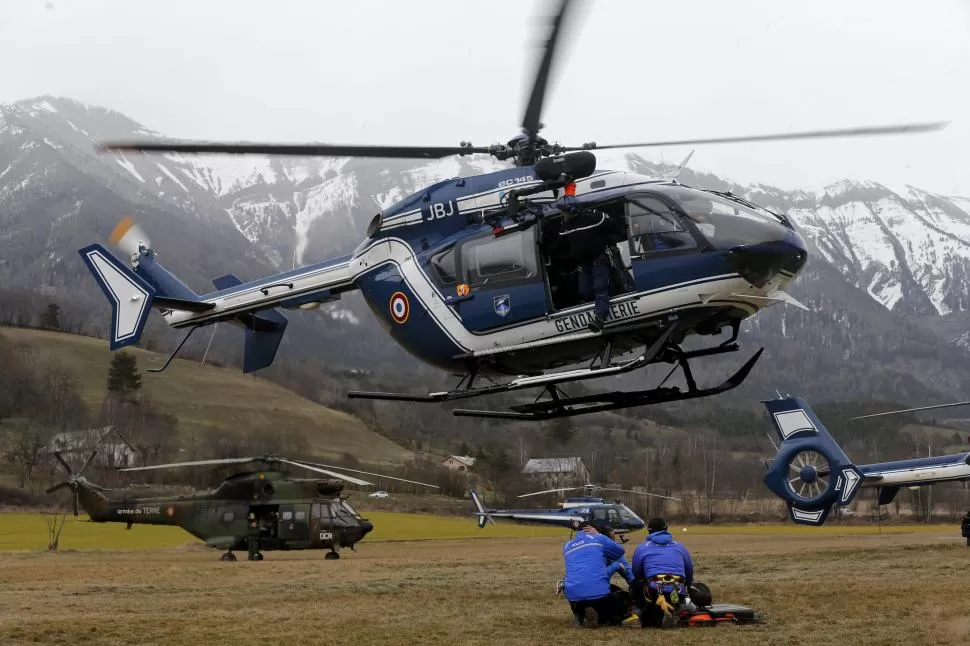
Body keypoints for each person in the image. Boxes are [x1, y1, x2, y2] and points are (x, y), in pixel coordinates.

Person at [558, 196, 616, 332]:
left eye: (563, 212)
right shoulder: (565, 225)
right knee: (583, 291)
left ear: (571, 211)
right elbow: (561, 243)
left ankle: (599, 319)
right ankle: (608, 296)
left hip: (599, 261)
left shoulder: (593, 218)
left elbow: (612, 225)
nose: (562, 215)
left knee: (600, 288)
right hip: (584, 265)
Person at [561, 521, 632, 628]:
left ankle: (580, 615)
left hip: (574, 598)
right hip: (599, 596)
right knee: (623, 601)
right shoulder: (598, 538)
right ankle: (603, 617)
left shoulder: (567, 546)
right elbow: (620, 551)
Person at [630, 517, 694, 629]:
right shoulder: (680, 546)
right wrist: (687, 585)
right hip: (678, 588)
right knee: (677, 597)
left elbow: (636, 572)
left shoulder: (642, 547)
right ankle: (675, 609)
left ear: (649, 530)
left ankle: (639, 614)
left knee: (635, 584)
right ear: (666, 529)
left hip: (654, 589)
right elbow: (689, 570)